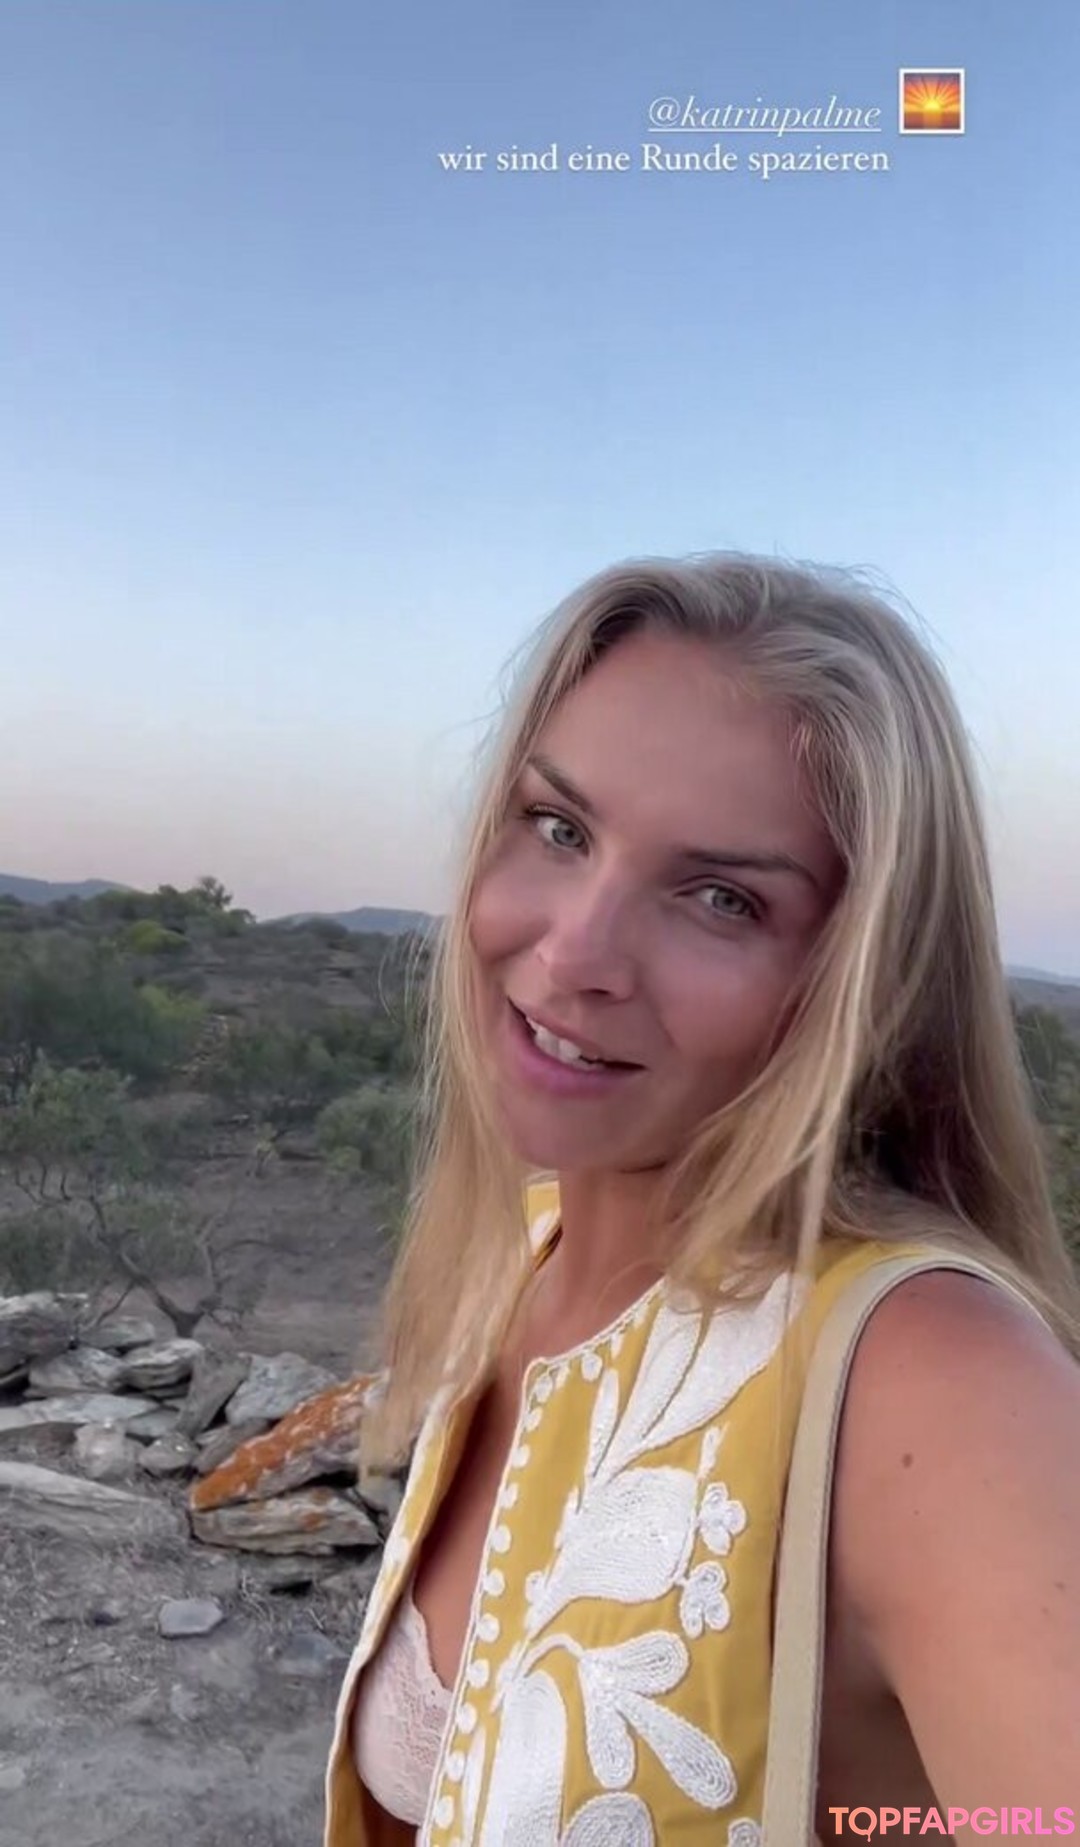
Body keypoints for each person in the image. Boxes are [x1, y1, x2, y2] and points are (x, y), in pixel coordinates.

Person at [322, 553, 1080, 1846]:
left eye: (721, 898)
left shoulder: (935, 1387)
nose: (575, 954)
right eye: (559, 828)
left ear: (861, 978)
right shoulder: (525, 1258)